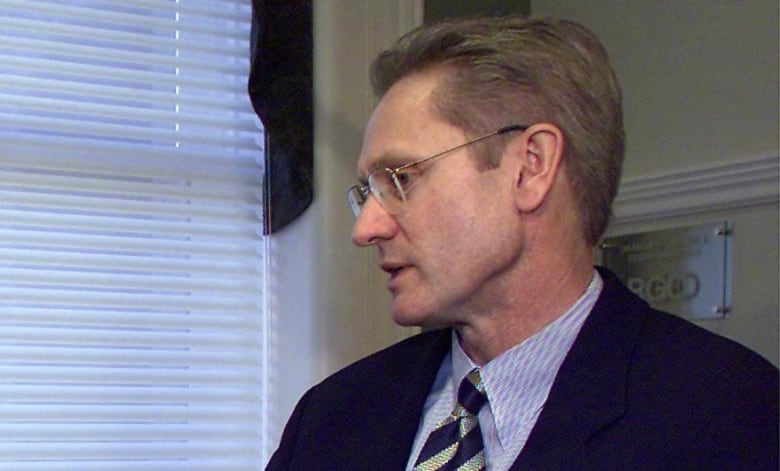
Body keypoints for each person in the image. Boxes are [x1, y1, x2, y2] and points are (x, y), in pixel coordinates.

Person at [266, 16, 778, 471]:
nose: (367, 228)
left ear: (530, 167)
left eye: (400, 178)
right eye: (368, 193)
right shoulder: (332, 417)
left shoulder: (730, 416)